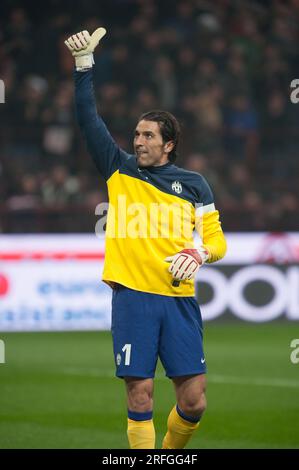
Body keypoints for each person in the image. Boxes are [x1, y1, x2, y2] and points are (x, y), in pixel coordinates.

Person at [65, 28, 227, 449]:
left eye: (148, 136)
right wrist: (84, 66)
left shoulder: (194, 185)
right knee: (140, 395)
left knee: (194, 402)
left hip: (179, 299)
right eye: (136, 135)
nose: (138, 141)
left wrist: (200, 250)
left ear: (168, 144)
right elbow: (88, 120)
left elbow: (217, 242)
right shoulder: (119, 169)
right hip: (133, 297)